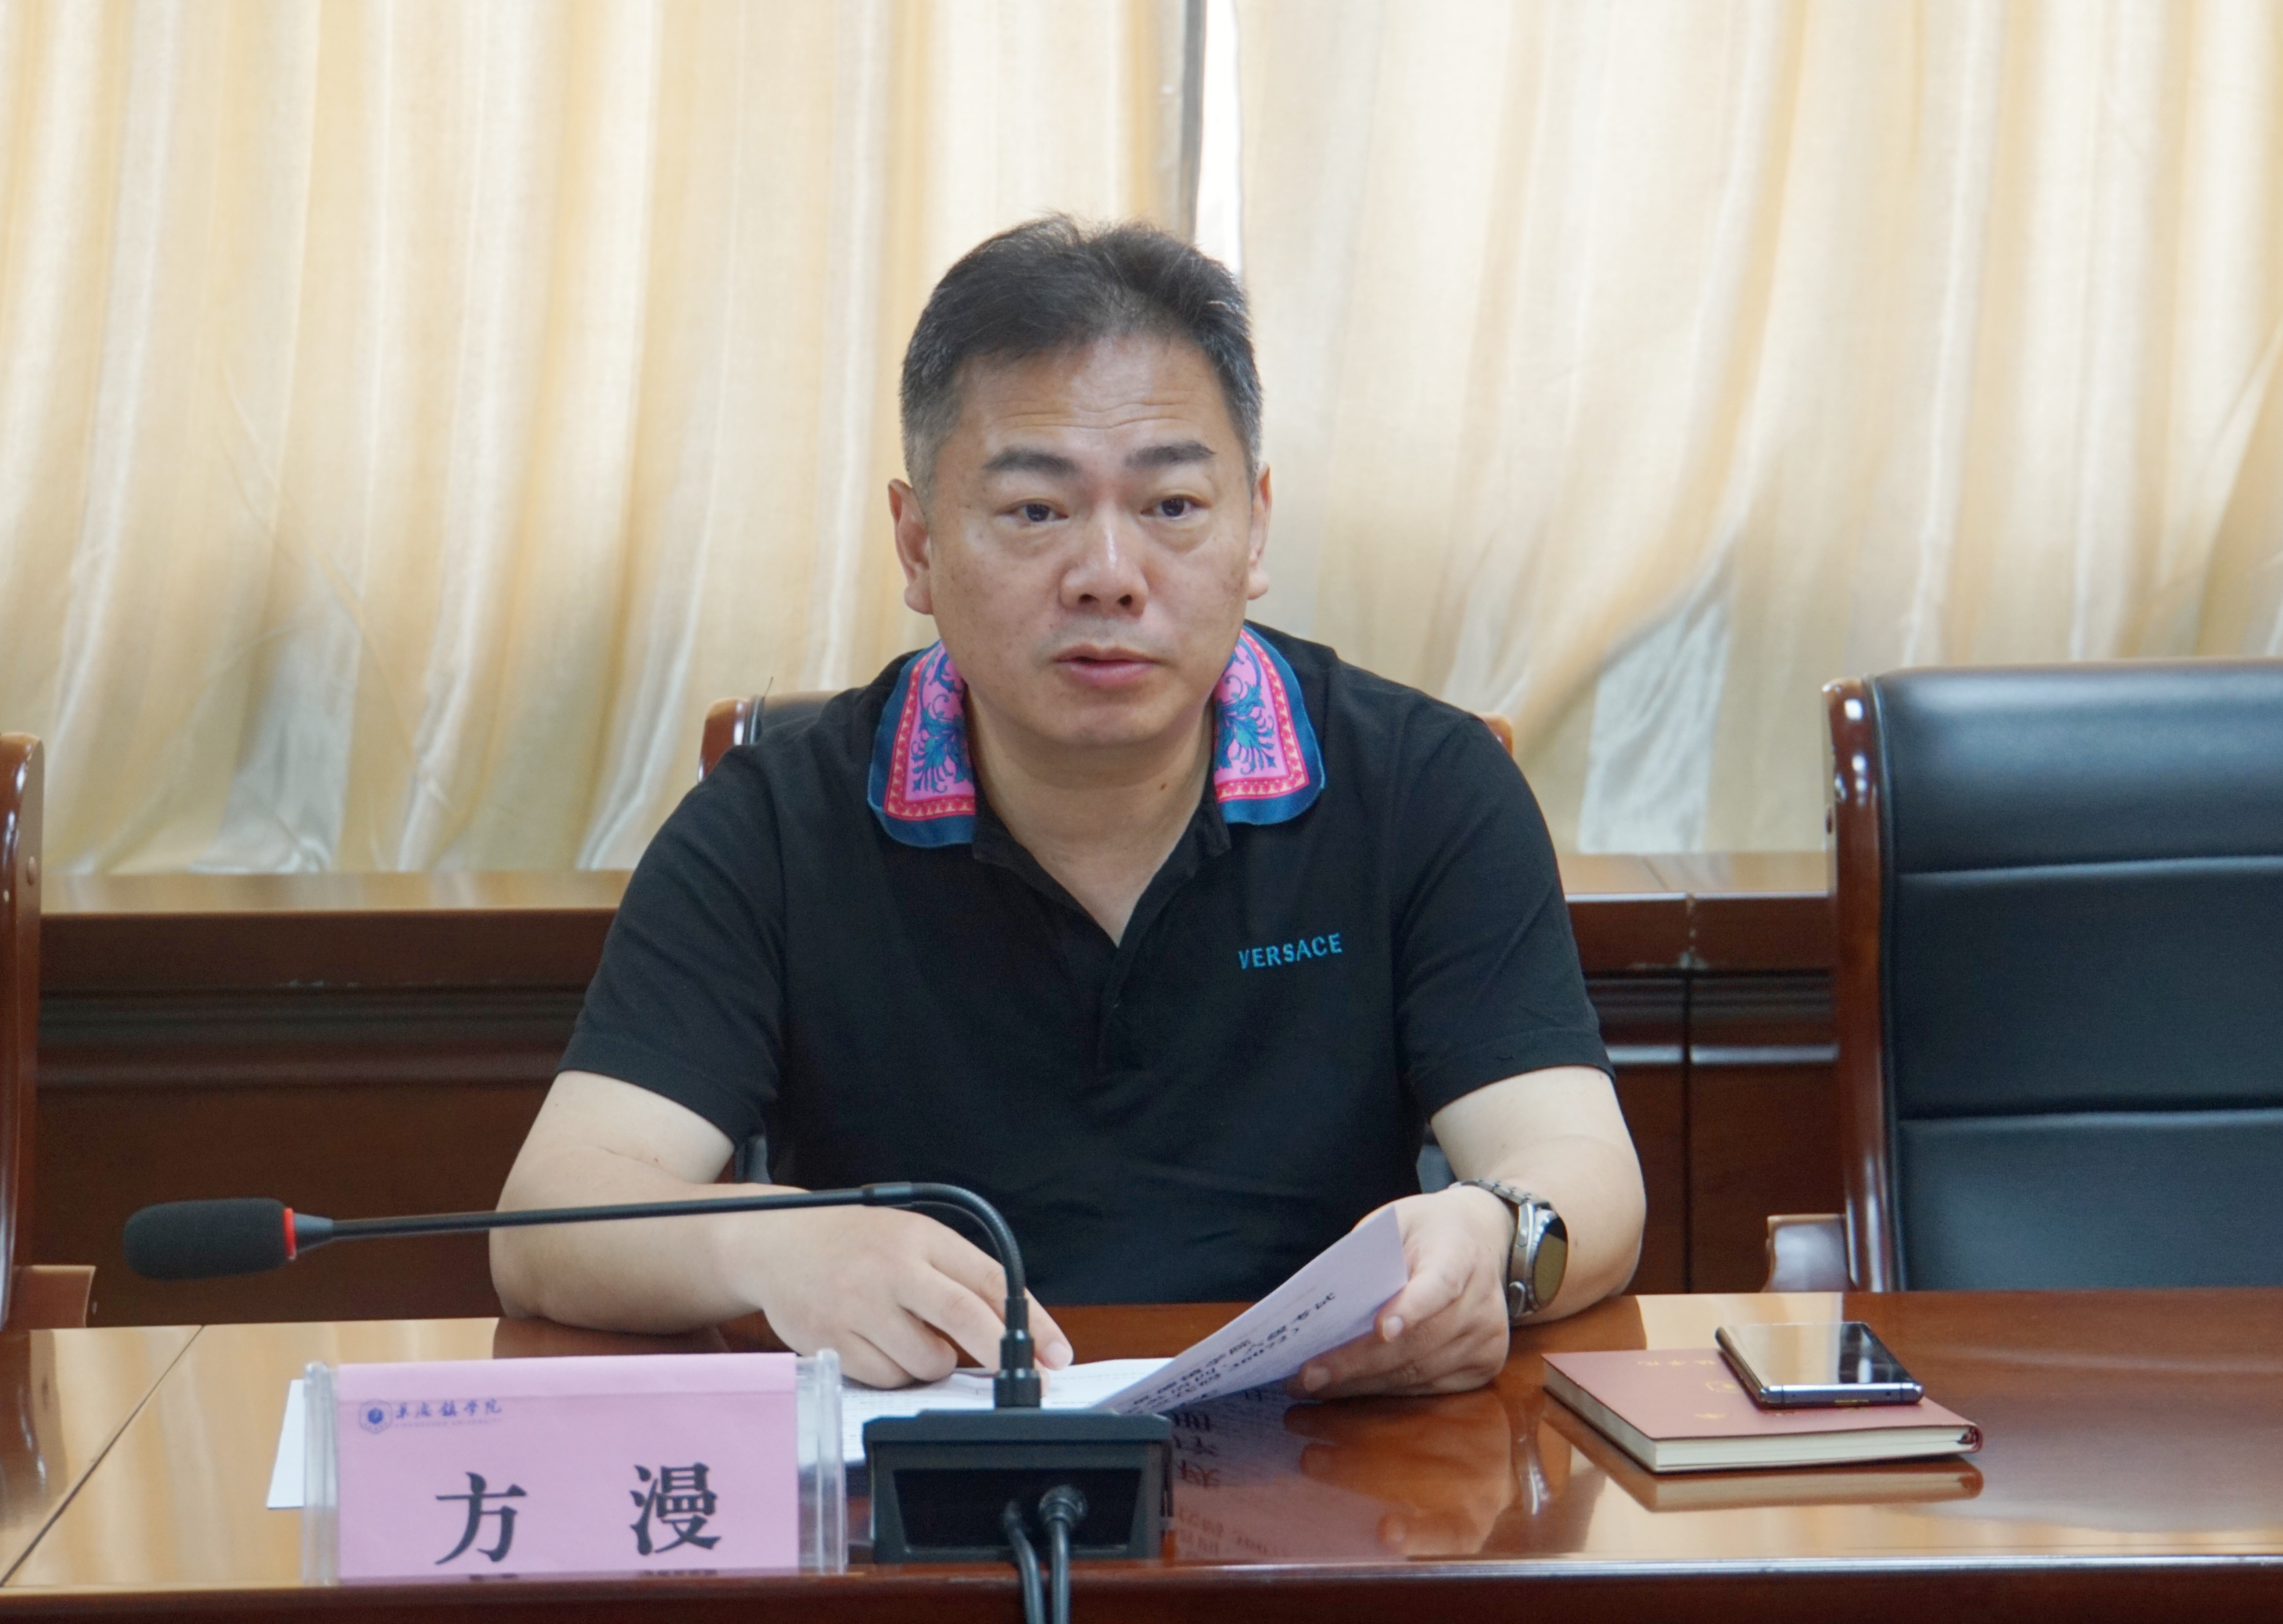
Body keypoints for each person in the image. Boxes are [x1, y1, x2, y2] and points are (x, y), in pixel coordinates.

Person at [492, 216, 1645, 1399]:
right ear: (917, 544)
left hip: (1327, 1438)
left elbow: (1582, 1167)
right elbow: (546, 1222)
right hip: (926, 1455)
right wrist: (770, 1244)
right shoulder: (778, 825)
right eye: (1036, 510)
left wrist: (1496, 1239)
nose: (1108, 574)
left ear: (1254, 527)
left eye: (1172, 505)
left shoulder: (1423, 786)